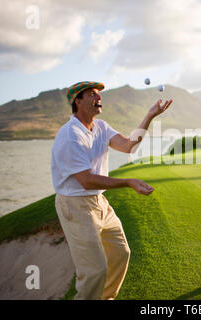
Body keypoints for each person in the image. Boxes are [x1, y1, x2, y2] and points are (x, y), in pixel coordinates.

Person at [51, 81, 173, 300]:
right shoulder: (70, 135)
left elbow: (128, 145)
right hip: (75, 206)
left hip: (99, 202)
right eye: (91, 94)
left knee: (120, 253)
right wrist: (128, 182)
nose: (99, 98)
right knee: (94, 271)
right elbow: (86, 180)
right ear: (77, 101)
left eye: (99, 94)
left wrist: (149, 116)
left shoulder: (101, 127)